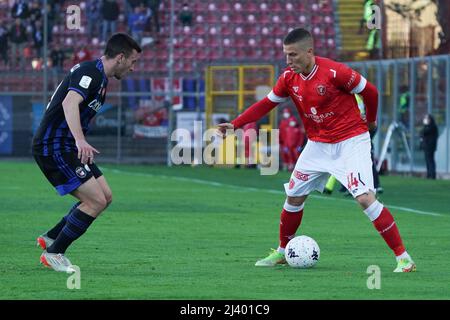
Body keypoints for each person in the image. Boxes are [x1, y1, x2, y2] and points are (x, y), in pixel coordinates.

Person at [217, 28, 415, 272]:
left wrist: (371, 121)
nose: (288, 61)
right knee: (294, 196)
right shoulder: (289, 78)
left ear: (309, 52)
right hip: (318, 144)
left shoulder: (335, 72)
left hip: (351, 141)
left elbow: (370, 91)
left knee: (364, 198)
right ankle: (281, 251)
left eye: (293, 55)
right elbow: (267, 103)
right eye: (286, 55)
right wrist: (236, 124)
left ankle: (404, 259)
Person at [32, 33, 142, 272]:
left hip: (67, 145)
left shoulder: (101, 78)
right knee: (95, 201)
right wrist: (80, 140)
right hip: (54, 146)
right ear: (121, 57)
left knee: (105, 196)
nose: (134, 68)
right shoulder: (90, 73)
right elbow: (69, 103)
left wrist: (79, 141)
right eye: (133, 62)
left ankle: (51, 237)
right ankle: (54, 253)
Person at [420, 114, 438, 179]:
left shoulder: (432, 127)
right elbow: (421, 133)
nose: (425, 120)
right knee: (427, 161)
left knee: (430, 160)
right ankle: (429, 174)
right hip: (426, 146)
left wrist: (425, 125)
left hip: (430, 146)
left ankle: (432, 174)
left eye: (427, 119)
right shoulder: (428, 127)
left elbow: (424, 132)